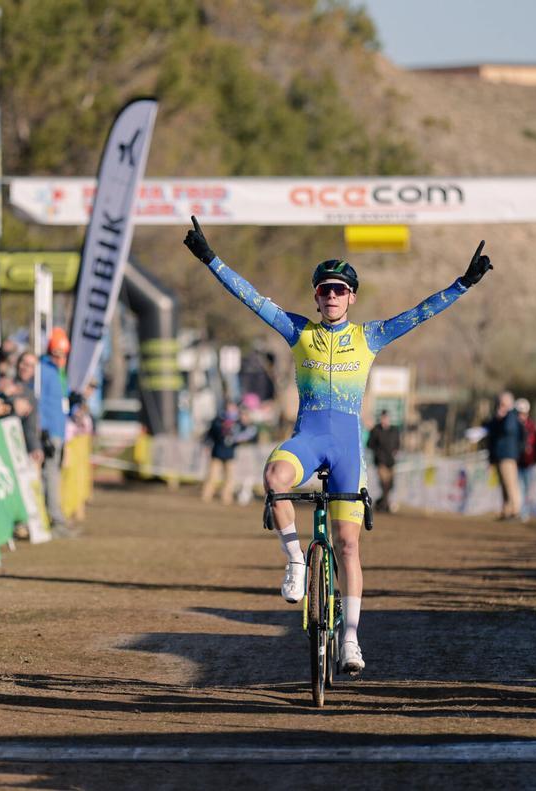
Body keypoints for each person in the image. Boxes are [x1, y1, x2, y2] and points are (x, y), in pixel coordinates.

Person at [183, 217, 491, 673]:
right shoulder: (299, 332)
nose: (332, 296)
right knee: (274, 477)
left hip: (348, 448)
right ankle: (295, 563)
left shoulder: (370, 337)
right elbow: (248, 297)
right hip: (308, 439)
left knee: (348, 545)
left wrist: (463, 284)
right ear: (316, 296)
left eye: (340, 290)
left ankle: (350, 639)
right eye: (325, 290)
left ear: (352, 297)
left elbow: (420, 312)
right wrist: (211, 259)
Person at [40, 328, 71, 535]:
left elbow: (61, 404)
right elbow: (41, 402)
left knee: (54, 476)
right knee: (49, 476)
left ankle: (55, 516)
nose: (59, 359)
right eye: (56, 354)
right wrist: (43, 430)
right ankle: (55, 519)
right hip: (48, 433)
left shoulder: (59, 373)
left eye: (63, 355)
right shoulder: (43, 370)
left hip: (59, 433)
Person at [201, 398, 256, 505]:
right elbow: (211, 434)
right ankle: (206, 496)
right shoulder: (218, 420)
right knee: (212, 476)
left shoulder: (239, 422)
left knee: (230, 478)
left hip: (230, 454)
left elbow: (249, 433)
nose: (231, 409)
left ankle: (226, 498)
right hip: (217, 452)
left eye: (233, 407)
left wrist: (246, 423)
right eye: (229, 407)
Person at [487, 391, 524, 520]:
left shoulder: (511, 417)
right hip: (500, 456)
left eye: (502, 404)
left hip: (508, 456)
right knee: (504, 485)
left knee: (511, 484)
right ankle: (506, 511)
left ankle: (515, 511)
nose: (499, 407)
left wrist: (504, 416)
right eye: (499, 404)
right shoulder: (500, 419)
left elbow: (508, 430)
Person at [366, 409, 401, 513]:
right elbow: (369, 444)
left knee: (390, 485)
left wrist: (396, 451)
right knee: (384, 483)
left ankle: (381, 503)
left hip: (391, 462)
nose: (384, 420)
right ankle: (384, 505)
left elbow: (397, 444)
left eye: (385, 418)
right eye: (382, 418)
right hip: (381, 462)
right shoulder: (376, 430)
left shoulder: (394, 430)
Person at [515, 398, 536, 521]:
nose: (522, 415)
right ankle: (517, 510)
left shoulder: (532, 426)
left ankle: (524, 512)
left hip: (528, 462)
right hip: (516, 461)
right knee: (518, 487)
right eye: (519, 413)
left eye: (524, 413)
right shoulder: (513, 426)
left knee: (526, 488)